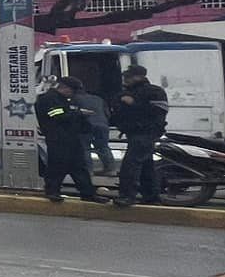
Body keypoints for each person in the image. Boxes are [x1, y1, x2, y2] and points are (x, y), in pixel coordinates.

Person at [36, 75, 102, 203]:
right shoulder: (48, 99)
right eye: (72, 91)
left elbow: (68, 113)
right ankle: (52, 192)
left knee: (79, 167)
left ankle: (88, 194)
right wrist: (79, 113)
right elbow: (56, 115)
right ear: (64, 88)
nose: (73, 95)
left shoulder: (64, 100)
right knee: (57, 166)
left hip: (71, 138)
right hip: (57, 138)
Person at [112, 62, 169, 207]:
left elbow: (158, 112)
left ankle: (127, 196)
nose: (126, 80)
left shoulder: (154, 91)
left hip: (146, 132)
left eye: (129, 77)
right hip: (133, 133)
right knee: (145, 165)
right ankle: (151, 196)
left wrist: (133, 104)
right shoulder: (125, 92)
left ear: (139, 77)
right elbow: (117, 111)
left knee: (131, 165)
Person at [74, 84, 116, 175]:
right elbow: (107, 113)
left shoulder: (75, 99)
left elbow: (74, 113)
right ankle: (110, 169)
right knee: (103, 147)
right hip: (102, 125)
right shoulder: (98, 99)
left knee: (85, 148)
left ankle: (88, 171)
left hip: (86, 126)